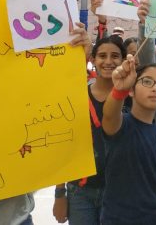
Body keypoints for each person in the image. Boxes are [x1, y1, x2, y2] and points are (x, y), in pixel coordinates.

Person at [101, 54, 156, 225]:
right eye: (147, 81)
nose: (155, 88)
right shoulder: (121, 125)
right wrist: (119, 90)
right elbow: (109, 115)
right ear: (131, 90)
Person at [53, 28, 116, 225]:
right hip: (79, 191)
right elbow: (64, 144)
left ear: (124, 61)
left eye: (115, 56)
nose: (108, 61)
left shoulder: (132, 98)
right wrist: (59, 193)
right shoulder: (76, 95)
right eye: (102, 56)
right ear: (93, 60)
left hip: (118, 191)